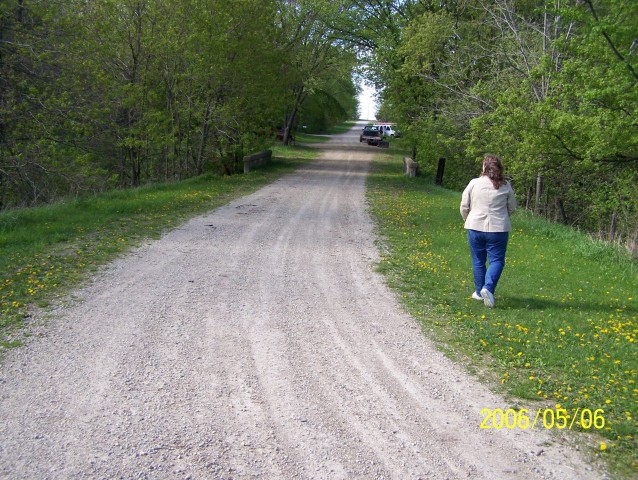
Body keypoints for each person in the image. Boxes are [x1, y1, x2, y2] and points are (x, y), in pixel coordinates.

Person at [460, 154, 517, 308]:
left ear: (484, 167)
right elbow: (512, 208)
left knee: (478, 260)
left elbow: (464, 206)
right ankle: (488, 288)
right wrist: (502, 216)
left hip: (475, 226)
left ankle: (479, 292)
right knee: (497, 260)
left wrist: (468, 219)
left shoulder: (474, 183)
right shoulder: (505, 185)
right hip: (498, 229)